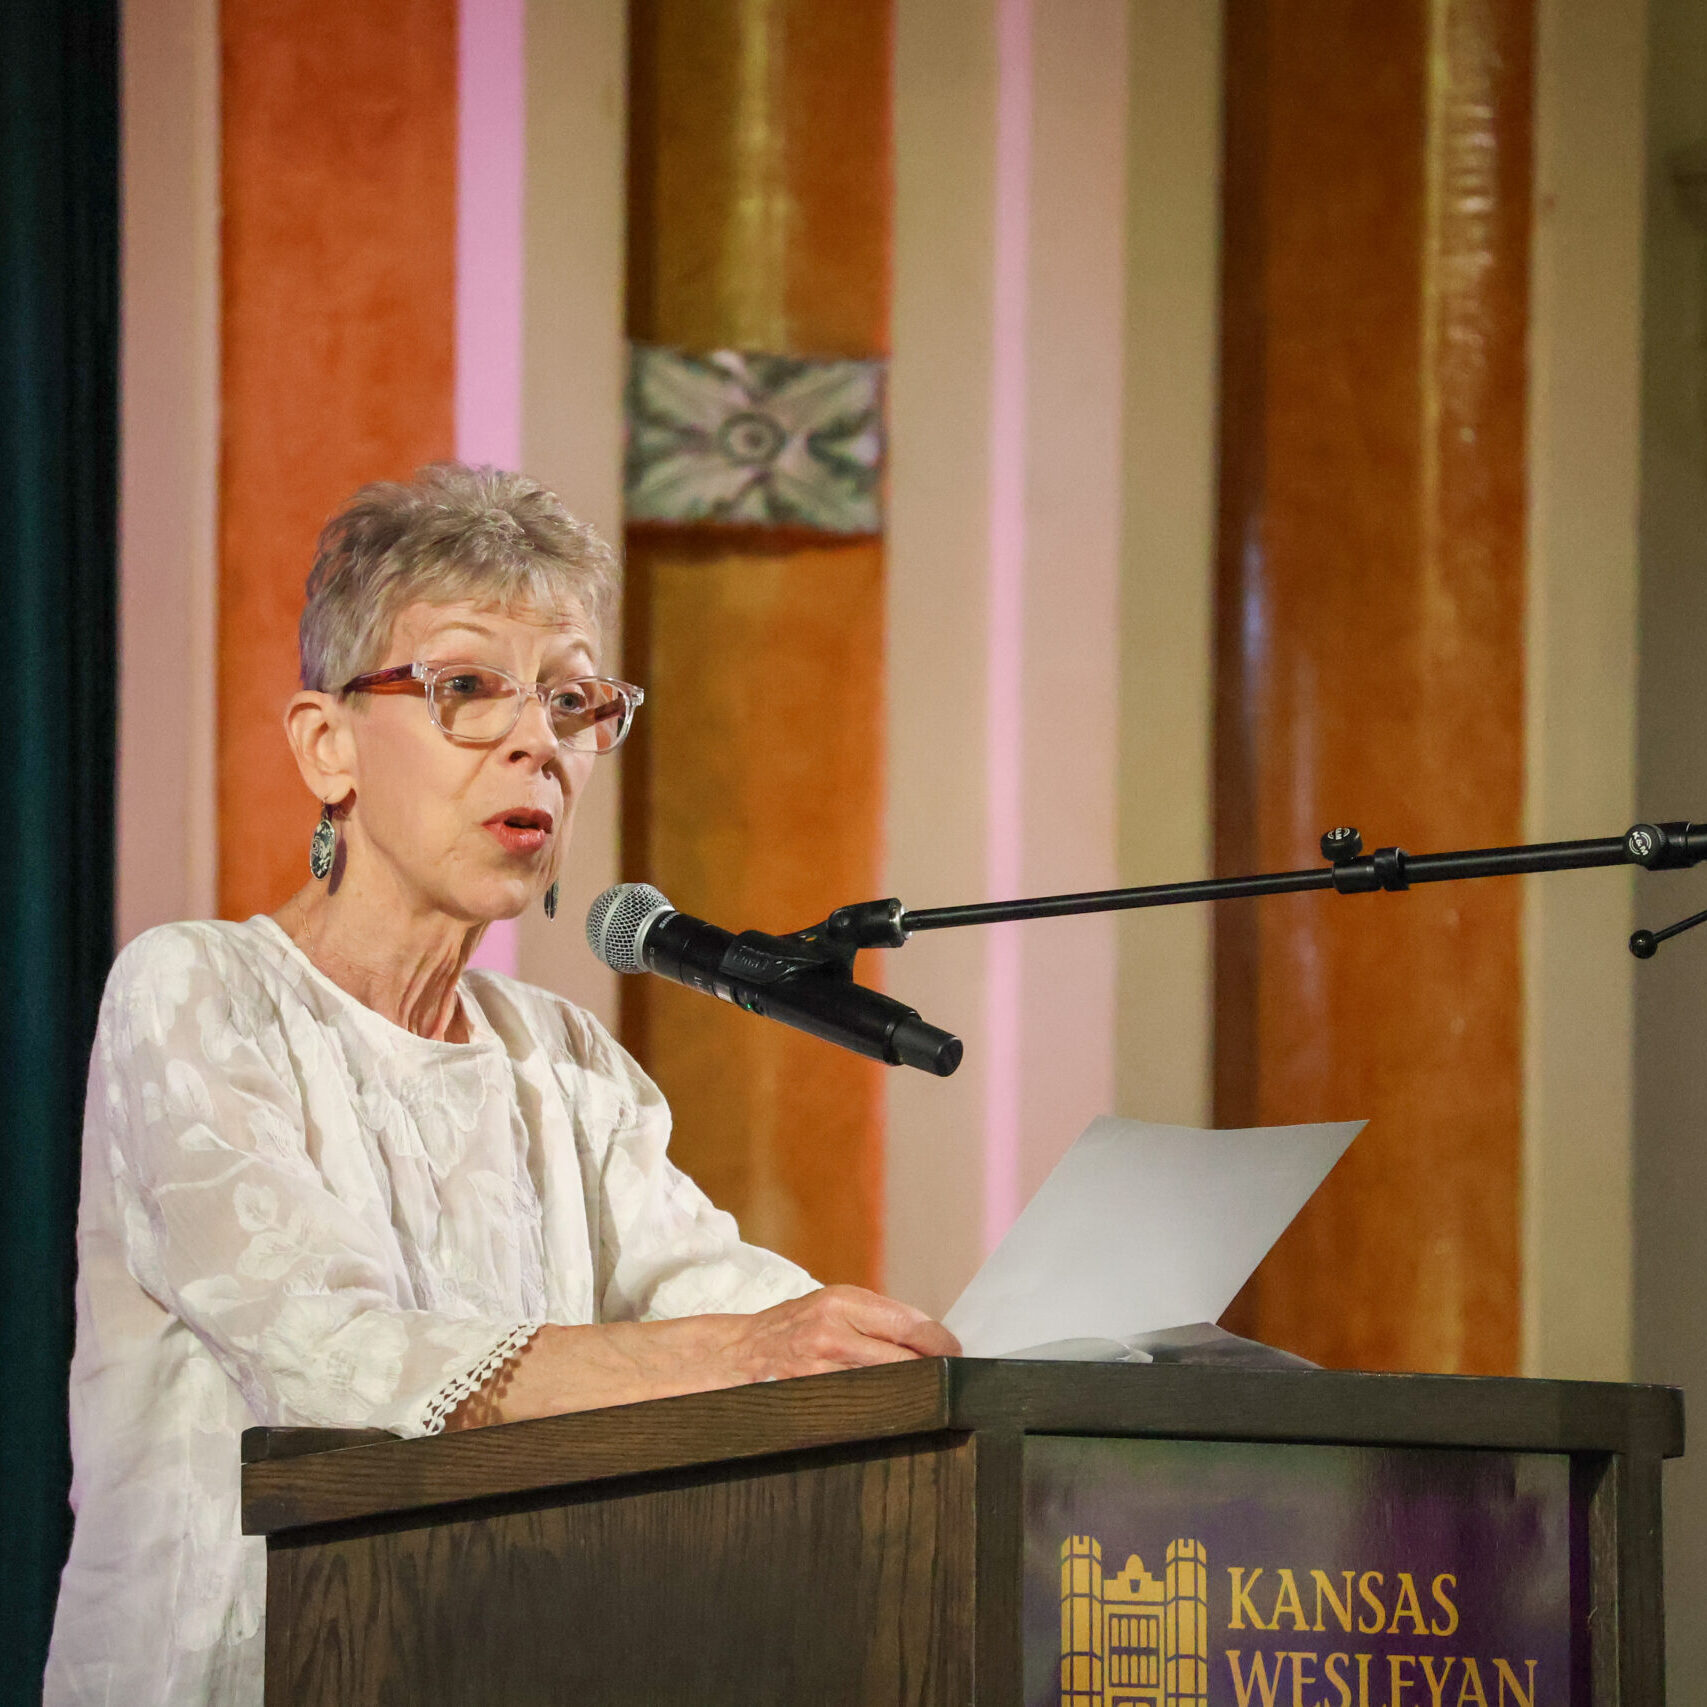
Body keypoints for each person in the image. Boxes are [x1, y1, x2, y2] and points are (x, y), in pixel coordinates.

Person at [44, 463, 958, 1706]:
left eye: (574, 700)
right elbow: (330, 1359)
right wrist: (749, 1350)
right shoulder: (198, 992)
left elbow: (738, 1305)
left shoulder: (565, 1061)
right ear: (327, 745)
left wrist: (942, 1360)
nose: (540, 741)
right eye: (467, 689)